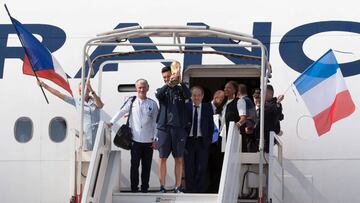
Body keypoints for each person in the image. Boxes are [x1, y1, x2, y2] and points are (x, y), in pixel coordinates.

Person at [107, 79, 158, 193]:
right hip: (135, 141)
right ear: (136, 88)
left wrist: (155, 139)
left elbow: (156, 123)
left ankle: (145, 188)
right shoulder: (131, 101)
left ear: (147, 88)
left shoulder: (152, 104)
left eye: (144, 87)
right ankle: (134, 189)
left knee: (146, 167)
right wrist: (111, 122)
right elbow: (121, 112)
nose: (142, 89)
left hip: (148, 142)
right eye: (139, 87)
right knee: (134, 166)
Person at [38, 79, 104, 150]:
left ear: (88, 90)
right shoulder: (76, 102)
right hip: (86, 136)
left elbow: (100, 105)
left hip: (98, 135)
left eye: (83, 90)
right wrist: (45, 86)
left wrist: (91, 89)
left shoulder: (95, 100)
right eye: (80, 90)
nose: (81, 92)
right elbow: (59, 94)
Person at [155, 66, 191, 193]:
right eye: (164, 77)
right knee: (162, 158)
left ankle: (178, 187)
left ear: (173, 74)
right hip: (164, 129)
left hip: (179, 129)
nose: (166, 79)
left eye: (168, 76)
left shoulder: (181, 90)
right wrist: (168, 84)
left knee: (179, 158)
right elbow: (158, 95)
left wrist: (180, 81)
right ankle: (162, 187)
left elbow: (189, 95)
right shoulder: (162, 90)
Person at [184, 86, 214, 193]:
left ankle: (200, 190)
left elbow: (211, 125)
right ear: (191, 96)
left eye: (198, 95)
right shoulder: (186, 106)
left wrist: (209, 140)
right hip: (189, 141)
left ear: (202, 96)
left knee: (202, 167)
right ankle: (190, 190)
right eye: (194, 95)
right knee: (189, 167)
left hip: (202, 141)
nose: (196, 98)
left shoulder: (207, 107)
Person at [253, 85, 284, 152]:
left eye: (265, 92)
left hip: (268, 136)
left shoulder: (275, 103)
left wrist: (278, 103)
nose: (262, 94)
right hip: (259, 135)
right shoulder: (262, 103)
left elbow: (277, 112)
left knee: (266, 157)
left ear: (271, 93)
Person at [207, 90, 225, 193]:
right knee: (206, 166)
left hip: (217, 144)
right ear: (215, 97)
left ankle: (215, 188)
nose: (221, 101)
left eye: (223, 99)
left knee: (217, 166)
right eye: (220, 98)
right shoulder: (205, 107)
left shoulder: (221, 109)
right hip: (207, 143)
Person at [237, 84, 257, 152]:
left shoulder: (245, 100)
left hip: (247, 130)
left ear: (238, 91)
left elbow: (252, 116)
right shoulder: (248, 100)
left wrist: (249, 127)